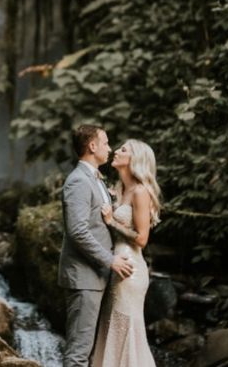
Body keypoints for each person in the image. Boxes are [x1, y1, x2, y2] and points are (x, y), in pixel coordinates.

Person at [58, 124, 134, 367]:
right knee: (79, 353)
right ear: (92, 146)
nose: (110, 148)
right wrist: (110, 259)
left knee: (90, 351)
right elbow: (77, 231)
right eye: (106, 143)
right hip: (84, 277)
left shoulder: (96, 179)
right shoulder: (78, 181)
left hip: (96, 277)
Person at [91, 138, 161, 367]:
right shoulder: (118, 188)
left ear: (135, 160)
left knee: (126, 327)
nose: (116, 151)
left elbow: (142, 239)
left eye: (123, 149)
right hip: (115, 265)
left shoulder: (141, 191)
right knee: (110, 327)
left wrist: (112, 222)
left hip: (130, 269)